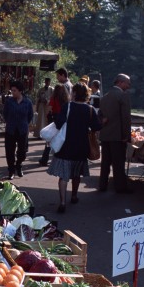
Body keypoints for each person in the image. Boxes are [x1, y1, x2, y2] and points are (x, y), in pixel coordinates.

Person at [47, 82, 101, 213]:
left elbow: (59, 124)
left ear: (75, 94)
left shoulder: (67, 107)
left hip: (65, 147)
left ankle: (63, 202)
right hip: (81, 147)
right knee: (76, 174)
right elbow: (96, 127)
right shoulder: (90, 109)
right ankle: (74, 196)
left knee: (63, 176)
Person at [98, 73, 132, 194]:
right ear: (120, 82)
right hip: (117, 136)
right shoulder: (123, 96)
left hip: (105, 134)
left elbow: (100, 115)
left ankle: (102, 185)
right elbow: (126, 118)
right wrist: (126, 136)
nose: (129, 85)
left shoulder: (105, 96)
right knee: (118, 163)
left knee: (105, 162)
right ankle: (120, 187)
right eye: (127, 83)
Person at [3, 80, 34, 180]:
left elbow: (30, 116)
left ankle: (19, 165)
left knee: (22, 151)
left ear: (20, 91)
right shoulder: (9, 102)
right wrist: (10, 122)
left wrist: (24, 123)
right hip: (11, 129)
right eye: (12, 91)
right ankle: (11, 171)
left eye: (14, 91)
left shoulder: (27, 102)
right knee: (9, 151)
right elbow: (5, 114)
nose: (12, 92)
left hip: (22, 130)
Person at [39, 83, 70, 166]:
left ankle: (44, 159)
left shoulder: (54, 98)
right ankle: (58, 160)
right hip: (63, 121)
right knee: (60, 139)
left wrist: (47, 117)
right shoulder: (66, 99)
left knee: (49, 140)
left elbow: (49, 109)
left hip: (55, 120)